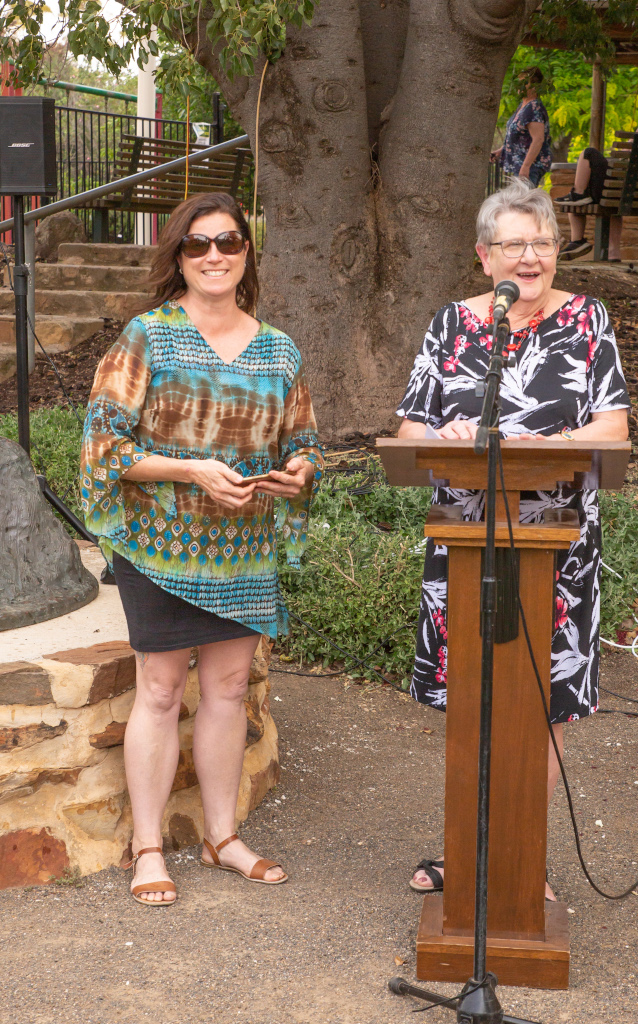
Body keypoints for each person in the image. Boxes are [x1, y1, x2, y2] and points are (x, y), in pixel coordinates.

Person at [80, 192, 324, 906]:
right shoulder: (147, 337)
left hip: (241, 547)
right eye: (197, 245)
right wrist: (190, 470)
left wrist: (300, 470)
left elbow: (304, 441)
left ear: (247, 254)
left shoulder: (279, 349)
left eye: (228, 242)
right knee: (158, 691)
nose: (214, 255)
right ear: (178, 258)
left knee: (223, 691)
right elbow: (104, 444)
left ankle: (222, 838)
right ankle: (148, 847)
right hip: (160, 544)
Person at [396, 178, 629, 900]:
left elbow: (612, 427)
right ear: (483, 256)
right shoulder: (451, 325)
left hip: (556, 547)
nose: (529, 257)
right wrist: (448, 432)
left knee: (543, 700)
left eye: (543, 242)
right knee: (473, 696)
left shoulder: (587, 319)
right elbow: (408, 431)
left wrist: (544, 438)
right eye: (513, 244)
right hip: (464, 542)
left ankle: (520, 854)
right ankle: (469, 854)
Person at [556, 113, 638, 262]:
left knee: (589, 154)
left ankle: (579, 232)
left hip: (619, 196)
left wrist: (634, 138)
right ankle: (626, 253)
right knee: (609, 198)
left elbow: (621, 162)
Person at [491, 66, 552, 187]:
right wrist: (501, 151)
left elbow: (538, 139)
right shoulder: (524, 104)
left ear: (534, 86)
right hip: (516, 165)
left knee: (522, 203)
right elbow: (519, 137)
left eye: (524, 82)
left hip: (529, 167)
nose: (520, 85)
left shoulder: (534, 108)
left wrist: (526, 167)